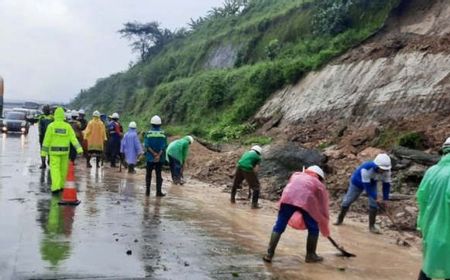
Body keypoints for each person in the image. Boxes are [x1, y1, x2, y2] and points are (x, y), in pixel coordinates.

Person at [263, 166, 329, 263]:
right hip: (306, 202)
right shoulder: (318, 184)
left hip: (287, 199)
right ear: (319, 176)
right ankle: (310, 255)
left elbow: (294, 188)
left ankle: (269, 254)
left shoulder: (296, 175)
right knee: (313, 227)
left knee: (279, 225)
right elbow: (322, 203)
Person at [416, 138, 450, 280]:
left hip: (430, 230)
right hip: (447, 233)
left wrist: (422, 226)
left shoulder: (432, 171)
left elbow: (421, 199)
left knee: (428, 267)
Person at [334, 153, 392, 234]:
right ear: (376, 166)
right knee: (348, 200)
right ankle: (339, 219)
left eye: (385, 169)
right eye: (381, 169)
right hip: (357, 183)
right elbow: (367, 189)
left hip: (371, 183)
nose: (383, 171)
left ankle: (372, 226)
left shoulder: (387, 172)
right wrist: (376, 197)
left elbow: (386, 185)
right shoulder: (366, 169)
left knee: (374, 204)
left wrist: (385, 199)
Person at [41, 107, 83, 194]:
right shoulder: (67, 126)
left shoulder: (51, 126)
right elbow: (73, 139)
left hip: (54, 152)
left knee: (55, 169)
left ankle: (56, 187)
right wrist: (79, 149)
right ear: (63, 116)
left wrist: (43, 153)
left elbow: (46, 140)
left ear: (55, 115)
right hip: (64, 152)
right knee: (64, 170)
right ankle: (62, 186)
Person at [143, 115, 167, 197]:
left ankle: (147, 192)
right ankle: (158, 192)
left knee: (148, 175)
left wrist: (153, 154)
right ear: (160, 124)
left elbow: (146, 145)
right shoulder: (163, 134)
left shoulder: (148, 133)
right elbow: (164, 146)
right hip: (159, 159)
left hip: (150, 158)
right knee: (158, 175)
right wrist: (158, 155)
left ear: (151, 124)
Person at [38, 105, 54, 169]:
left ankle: (44, 163)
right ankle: (45, 163)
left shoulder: (43, 117)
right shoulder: (51, 118)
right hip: (44, 136)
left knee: (44, 150)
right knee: (46, 150)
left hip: (45, 136)